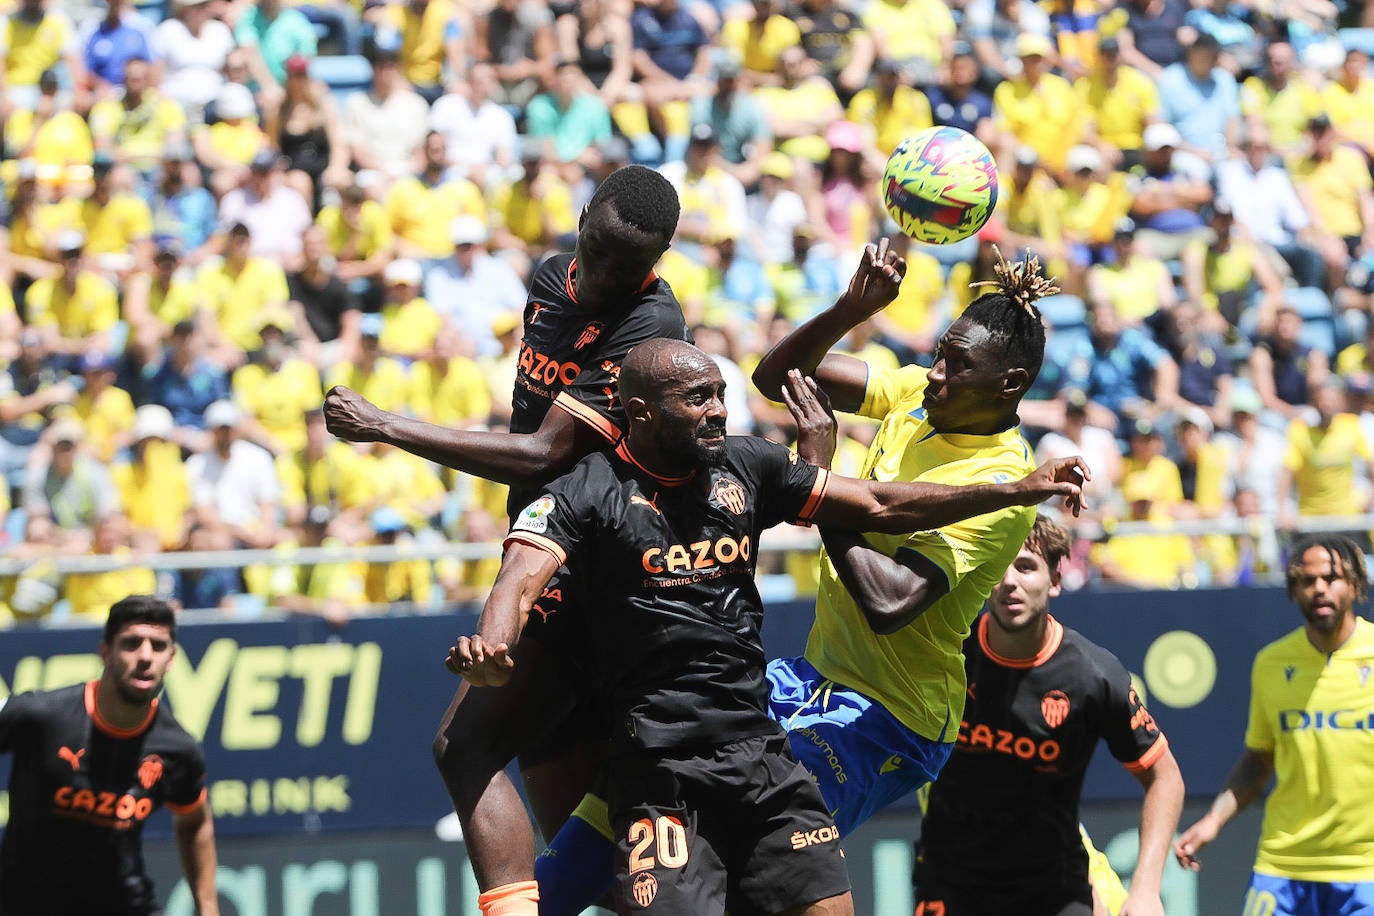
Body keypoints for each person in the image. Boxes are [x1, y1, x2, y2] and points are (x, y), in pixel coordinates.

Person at [537, 246, 1096, 912]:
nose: (937, 374)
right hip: (810, 677)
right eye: (941, 353)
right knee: (638, 787)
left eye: (958, 366)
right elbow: (776, 376)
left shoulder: (996, 486)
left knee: (751, 850)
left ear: (1009, 385)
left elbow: (889, 601)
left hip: (890, 717)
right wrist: (850, 310)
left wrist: (820, 481)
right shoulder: (918, 394)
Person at [324, 165, 694, 914]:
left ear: (654, 264)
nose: (600, 277)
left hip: (594, 562)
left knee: (463, 746)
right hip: (542, 539)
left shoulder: (651, 325)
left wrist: (385, 426)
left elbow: (544, 453)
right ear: (581, 220)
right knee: (581, 839)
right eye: (595, 251)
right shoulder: (548, 277)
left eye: (625, 268)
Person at [913, 516, 1185, 916]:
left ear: (1055, 580)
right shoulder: (946, 653)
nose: (1010, 581)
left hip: (1052, 889)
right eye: (999, 566)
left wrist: (1144, 890)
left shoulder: (1094, 675)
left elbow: (1165, 777)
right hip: (952, 885)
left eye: (1025, 566)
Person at [1174, 534, 1374, 916]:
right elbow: (1256, 763)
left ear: (1354, 583)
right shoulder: (1271, 662)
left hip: (1366, 871)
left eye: (1330, 578)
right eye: (1306, 580)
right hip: (1283, 865)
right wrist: (1213, 822)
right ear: (1293, 589)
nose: (1318, 589)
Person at [0, 595, 218, 915]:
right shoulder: (41, 715)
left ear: (171, 659)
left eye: (158, 646)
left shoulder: (178, 749)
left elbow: (194, 821)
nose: (145, 656)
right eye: (131, 643)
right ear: (106, 652)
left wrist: (208, 906)